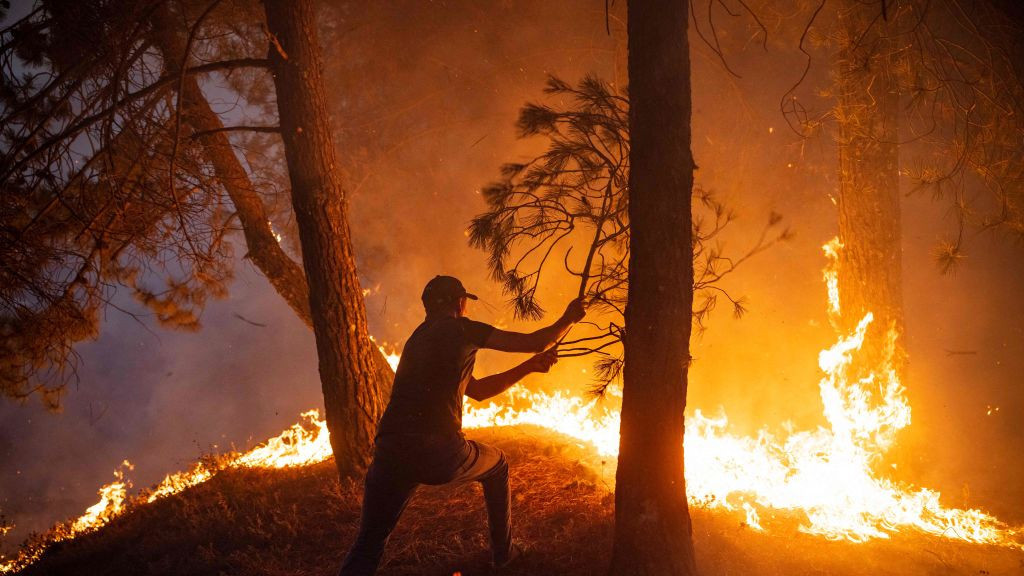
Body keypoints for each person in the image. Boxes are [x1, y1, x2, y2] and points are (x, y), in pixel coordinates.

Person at [339, 275, 587, 575]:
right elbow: (535, 342)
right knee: (498, 465)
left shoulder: (415, 341)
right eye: (465, 302)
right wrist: (568, 318)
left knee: (368, 543)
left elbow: (478, 390)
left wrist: (529, 368)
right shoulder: (462, 329)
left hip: (389, 450)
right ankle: (504, 554)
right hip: (439, 452)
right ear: (460, 303)